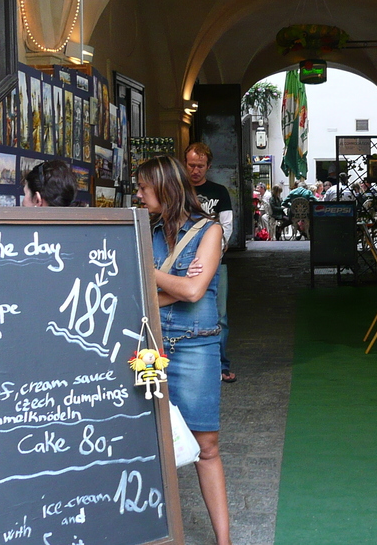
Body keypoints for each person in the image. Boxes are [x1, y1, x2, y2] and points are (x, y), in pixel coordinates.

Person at [136, 156, 231, 545]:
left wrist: (149, 272)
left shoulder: (209, 231)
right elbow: (140, 293)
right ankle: (160, 534)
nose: (139, 194)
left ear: (165, 187)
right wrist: (171, 283)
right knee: (148, 442)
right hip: (149, 348)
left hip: (194, 348)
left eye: (144, 187)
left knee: (206, 448)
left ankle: (223, 542)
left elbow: (193, 291)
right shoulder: (147, 229)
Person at [184, 143, 237, 384]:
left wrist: (216, 251)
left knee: (220, 315)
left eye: (200, 166)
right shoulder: (178, 190)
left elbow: (227, 226)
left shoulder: (219, 192)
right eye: (191, 165)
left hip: (214, 260)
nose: (195, 170)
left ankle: (221, 363)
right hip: (182, 260)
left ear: (209, 166)